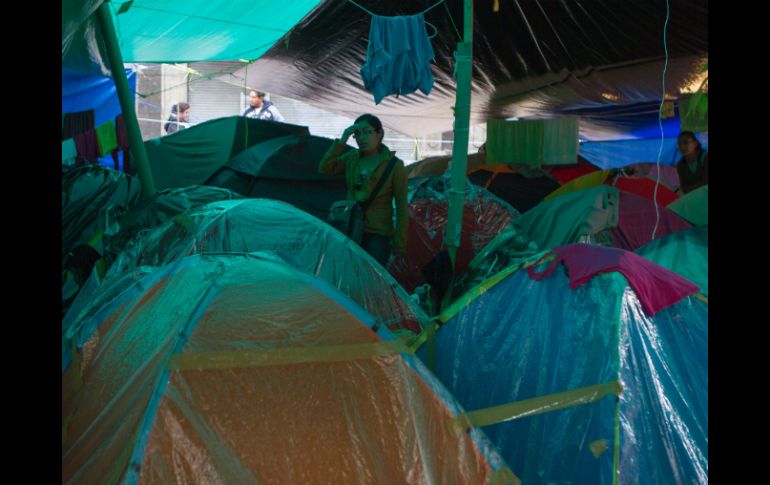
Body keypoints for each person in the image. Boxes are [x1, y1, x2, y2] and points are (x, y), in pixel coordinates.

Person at [319, 114, 408, 266]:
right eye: (357, 134)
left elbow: (401, 206)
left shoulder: (394, 165)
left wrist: (399, 242)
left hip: (378, 234)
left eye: (367, 132)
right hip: (350, 227)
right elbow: (325, 169)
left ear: (379, 134)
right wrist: (342, 141)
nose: (362, 138)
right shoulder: (352, 158)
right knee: (347, 274)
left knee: (370, 281)